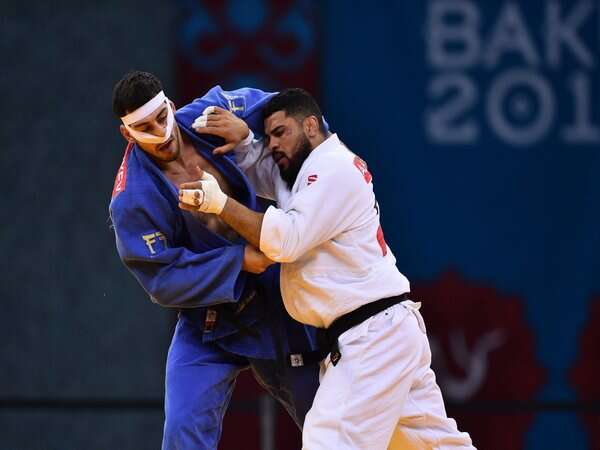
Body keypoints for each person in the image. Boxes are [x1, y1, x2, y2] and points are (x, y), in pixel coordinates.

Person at [179, 88, 476, 449]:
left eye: (280, 133)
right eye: (268, 137)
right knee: (432, 445)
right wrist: (244, 142)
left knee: (327, 441)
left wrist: (220, 204)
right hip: (385, 328)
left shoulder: (332, 169)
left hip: (371, 335)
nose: (273, 145)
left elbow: (285, 240)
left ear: (310, 126)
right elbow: (268, 176)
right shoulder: (310, 171)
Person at [109, 72, 320, 450]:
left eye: (161, 117)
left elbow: (299, 121)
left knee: (328, 421)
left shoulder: (213, 113)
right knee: (182, 430)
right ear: (128, 134)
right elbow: (163, 278)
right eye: (144, 128)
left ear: (170, 105)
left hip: (277, 295)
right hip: (210, 318)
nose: (160, 132)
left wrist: (249, 135)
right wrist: (237, 260)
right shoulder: (132, 199)